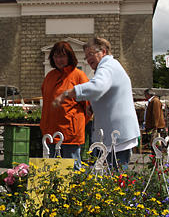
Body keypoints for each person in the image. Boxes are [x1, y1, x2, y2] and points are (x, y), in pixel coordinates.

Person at [53, 36, 140, 168]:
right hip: (114, 134)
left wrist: (69, 92)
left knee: (116, 177)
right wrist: (93, 106)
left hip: (117, 134)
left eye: (91, 54)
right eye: (86, 56)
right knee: (111, 175)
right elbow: (107, 92)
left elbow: (98, 87)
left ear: (103, 52)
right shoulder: (110, 66)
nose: (88, 59)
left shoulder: (107, 66)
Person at [40, 41, 90, 168]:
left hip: (70, 132)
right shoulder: (49, 76)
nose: (59, 60)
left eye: (62, 56)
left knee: (72, 168)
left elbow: (89, 105)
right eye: (56, 56)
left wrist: (76, 124)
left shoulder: (79, 75)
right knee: (51, 169)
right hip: (50, 131)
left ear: (69, 57)